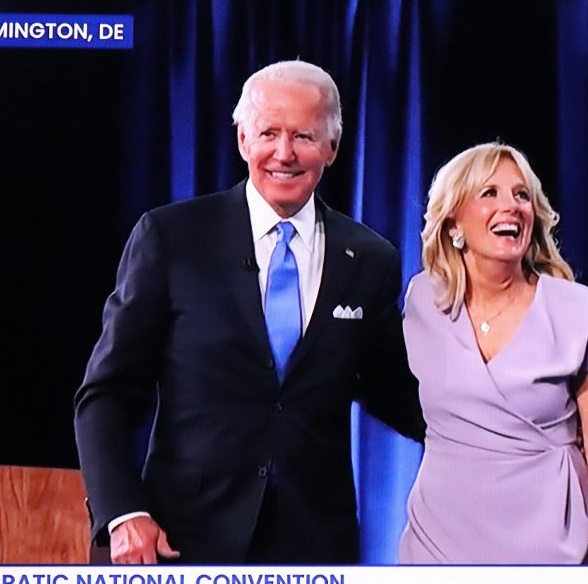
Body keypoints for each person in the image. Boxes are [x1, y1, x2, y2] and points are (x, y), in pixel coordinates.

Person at [74, 60, 425, 564]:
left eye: (303, 136)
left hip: (313, 546)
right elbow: (105, 393)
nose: (284, 154)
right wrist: (122, 512)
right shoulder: (172, 239)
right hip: (180, 540)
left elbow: (395, 392)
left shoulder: (369, 257)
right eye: (268, 133)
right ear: (243, 139)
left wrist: (498, 432)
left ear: (332, 147)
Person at [398, 142, 588, 564]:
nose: (512, 206)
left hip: (554, 550)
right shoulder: (422, 301)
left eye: (522, 195)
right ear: (454, 222)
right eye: (490, 194)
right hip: (439, 547)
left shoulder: (577, 310)